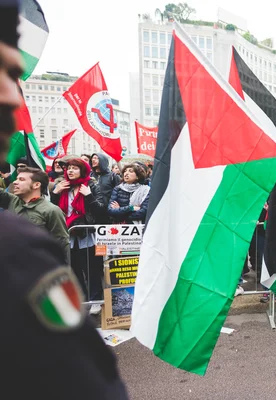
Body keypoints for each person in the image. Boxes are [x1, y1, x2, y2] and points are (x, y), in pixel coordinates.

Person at [0, 2, 128, 397]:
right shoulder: (16, 248)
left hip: (82, 242)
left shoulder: (26, 240)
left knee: (91, 279)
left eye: (14, 76)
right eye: (4, 74)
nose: (13, 97)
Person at [51, 158, 106, 314]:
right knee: (74, 269)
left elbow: (101, 212)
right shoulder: (62, 186)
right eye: (68, 168)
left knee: (92, 269)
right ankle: (82, 298)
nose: (70, 171)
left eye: (74, 168)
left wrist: (89, 196)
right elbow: (52, 210)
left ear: (82, 170)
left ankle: (95, 299)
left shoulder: (92, 186)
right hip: (67, 233)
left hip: (86, 234)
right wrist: (55, 193)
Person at [0, 167, 69, 260]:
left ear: (36, 185)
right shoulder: (12, 201)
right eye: (16, 179)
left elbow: (62, 244)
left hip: (38, 267)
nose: (15, 182)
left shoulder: (52, 210)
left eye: (21, 179)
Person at [90, 153, 121, 223]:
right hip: (93, 211)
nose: (93, 160)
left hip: (109, 212)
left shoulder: (113, 176)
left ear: (102, 160)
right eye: (92, 158)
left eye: (96, 158)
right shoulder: (89, 175)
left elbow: (119, 192)